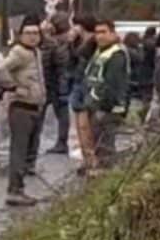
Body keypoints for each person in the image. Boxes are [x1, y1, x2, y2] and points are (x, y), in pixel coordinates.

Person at [0, 16, 46, 206]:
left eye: (36, 33)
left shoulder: (36, 52)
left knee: (28, 151)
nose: (33, 37)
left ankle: (19, 188)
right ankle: (14, 190)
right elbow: (0, 69)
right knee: (19, 149)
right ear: (21, 35)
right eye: (28, 33)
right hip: (21, 107)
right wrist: (13, 87)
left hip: (35, 106)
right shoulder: (20, 53)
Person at [81, 19, 131, 172]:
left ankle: (106, 179)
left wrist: (103, 107)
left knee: (105, 148)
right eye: (96, 33)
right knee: (98, 145)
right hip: (96, 105)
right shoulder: (101, 51)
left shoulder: (116, 54)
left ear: (113, 33)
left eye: (103, 32)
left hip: (108, 108)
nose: (99, 36)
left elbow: (112, 85)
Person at [34, 12, 71, 163]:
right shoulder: (59, 42)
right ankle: (58, 142)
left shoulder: (55, 43)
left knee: (55, 114)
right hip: (51, 83)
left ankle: (59, 142)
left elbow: (60, 67)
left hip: (52, 84)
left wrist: (62, 89)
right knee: (58, 114)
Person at [68, 15, 98, 170]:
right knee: (80, 123)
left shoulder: (92, 42)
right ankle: (86, 157)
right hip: (78, 82)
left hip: (84, 84)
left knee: (85, 125)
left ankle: (89, 157)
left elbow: (80, 54)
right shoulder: (80, 42)